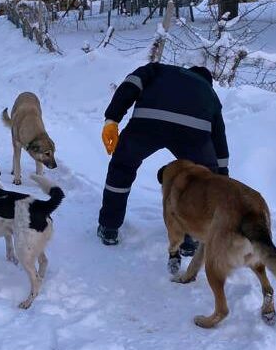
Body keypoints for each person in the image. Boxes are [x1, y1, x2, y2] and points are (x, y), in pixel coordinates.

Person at [96, 64, 230, 249]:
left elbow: (132, 83)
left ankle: (109, 227)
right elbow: (219, 138)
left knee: (122, 167)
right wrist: (220, 177)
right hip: (193, 134)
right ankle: (190, 237)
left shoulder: (159, 70)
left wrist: (112, 119)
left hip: (147, 124)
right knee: (201, 181)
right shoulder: (209, 93)